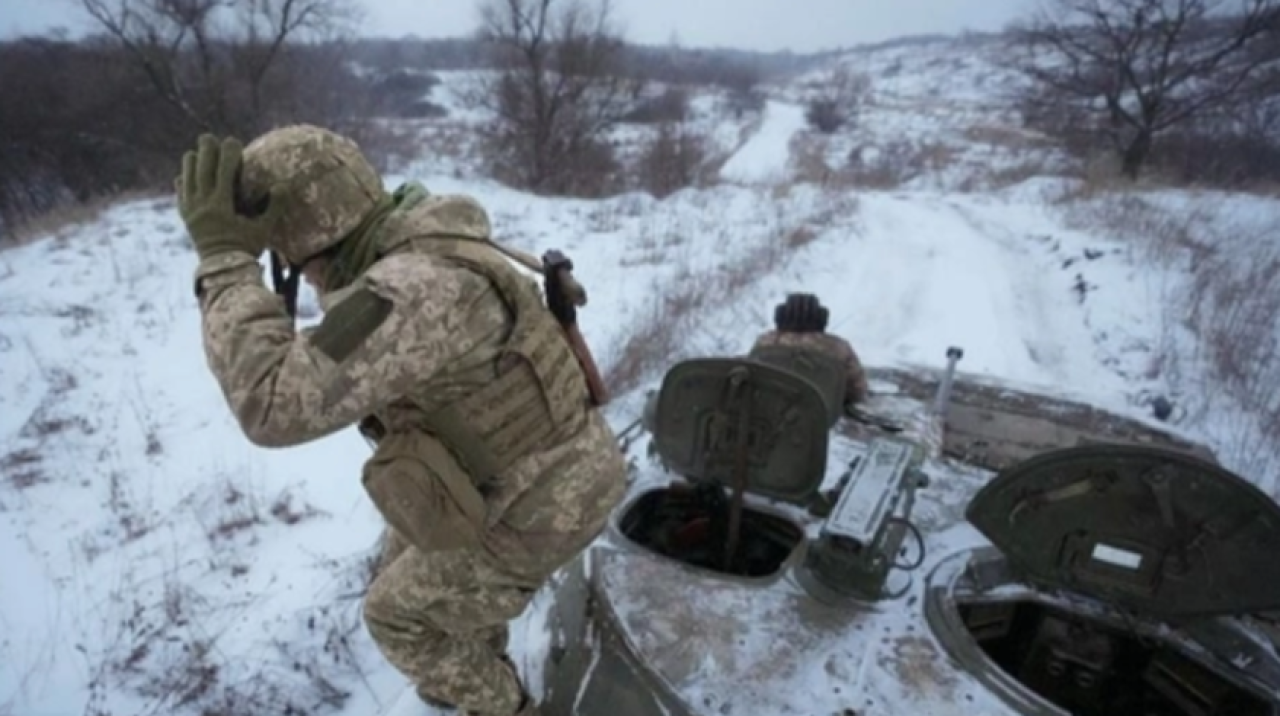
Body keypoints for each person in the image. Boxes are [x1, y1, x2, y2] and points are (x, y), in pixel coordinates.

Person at [175, 126, 628, 716]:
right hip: (535, 470)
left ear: (313, 240)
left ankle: (510, 708)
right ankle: (474, 659)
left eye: (299, 268)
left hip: (549, 497)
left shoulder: (410, 291)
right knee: (410, 558)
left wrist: (226, 264)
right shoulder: (422, 237)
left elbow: (271, 405)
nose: (306, 282)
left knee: (397, 619)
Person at [750, 293, 869, 408]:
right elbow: (857, 391)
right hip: (820, 419)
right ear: (822, 318)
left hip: (769, 415)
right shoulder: (838, 347)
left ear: (780, 316)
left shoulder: (765, 343)